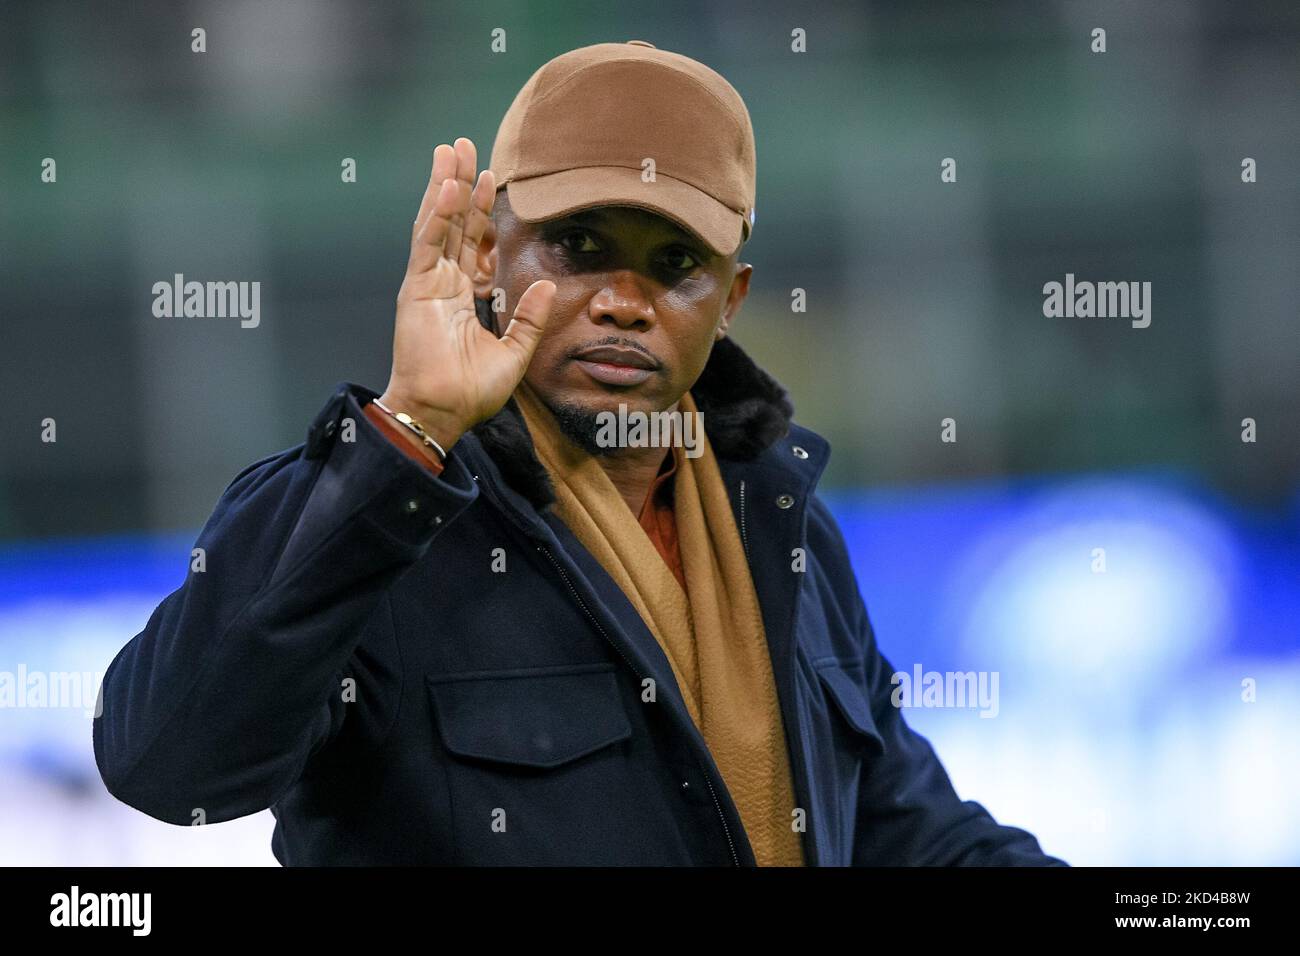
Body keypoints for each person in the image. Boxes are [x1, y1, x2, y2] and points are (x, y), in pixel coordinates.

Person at [93, 40, 1065, 866]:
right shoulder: (377, 512)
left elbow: (909, 834)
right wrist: (406, 431)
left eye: (675, 261)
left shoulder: (783, 520)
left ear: (731, 301)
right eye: (579, 243)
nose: (623, 299)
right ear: (484, 253)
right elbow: (167, 765)